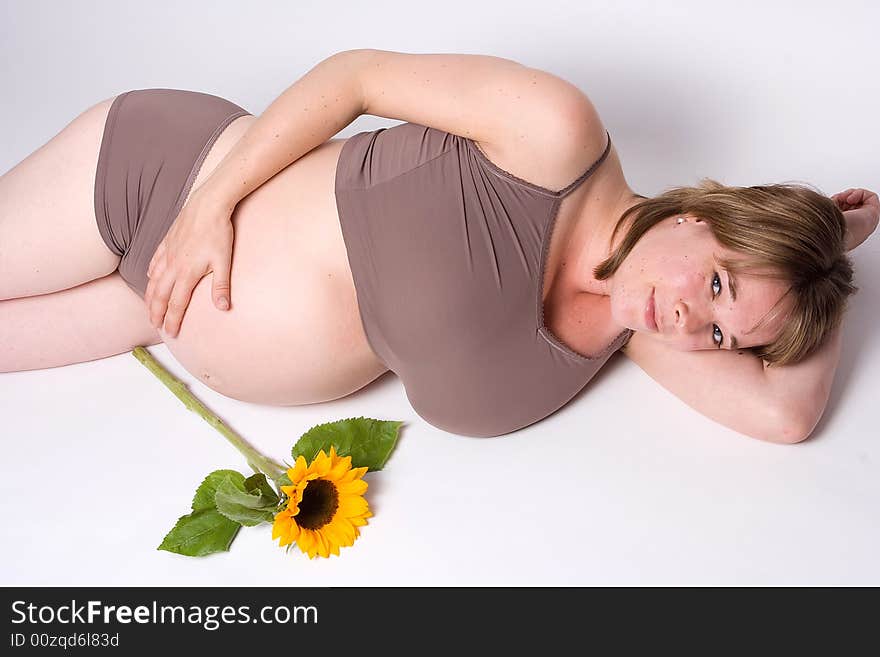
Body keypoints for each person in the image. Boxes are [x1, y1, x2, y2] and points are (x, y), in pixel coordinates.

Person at [1, 49, 876, 443]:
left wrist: (830, 253)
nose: (695, 321)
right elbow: (357, 75)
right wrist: (205, 210)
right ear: (704, 215)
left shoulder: (639, 326)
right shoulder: (557, 137)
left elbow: (785, 415)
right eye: (720, 284)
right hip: (160, 183)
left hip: (146, 310)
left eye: (726, 337)